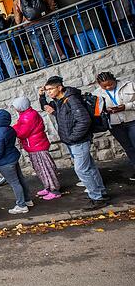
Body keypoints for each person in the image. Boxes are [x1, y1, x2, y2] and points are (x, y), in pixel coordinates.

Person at [41, 76, 109, 210]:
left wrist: (73, 137)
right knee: (89, 167)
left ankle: (97, 198)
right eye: (46, 90)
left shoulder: (71, 100)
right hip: (74, 141)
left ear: (59, 88)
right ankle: (101, 193)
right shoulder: (59, 101)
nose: (48, 92)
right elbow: (46, 107)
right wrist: (42, 96)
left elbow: (84, 121)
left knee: (81, 169)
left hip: (79, 141)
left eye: (50, 89)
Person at [12, 96, 61, 199]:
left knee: (46, 168)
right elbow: (19, 125)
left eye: (16, 106)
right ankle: (48, 187)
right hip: (34, 145)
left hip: (37, 146)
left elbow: (22, 132)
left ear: (21, 107)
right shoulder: (25, 114)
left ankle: (55, 191)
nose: (15, 108)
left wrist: (12, 131)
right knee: (40, 169)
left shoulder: (28, 116)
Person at [0, 108, 32, 214]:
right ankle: (27, 200)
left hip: (5, 162)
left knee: (15, 183)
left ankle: (21, 205)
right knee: (20, 179)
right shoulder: (8, 128)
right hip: (12, 157)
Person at [95, 72, 135, 180]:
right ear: (99, 85)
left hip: (132, 120)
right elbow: (97, 112)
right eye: (104, 86)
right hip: (115, 125)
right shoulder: (97, 94)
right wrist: (105, 111)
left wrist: (125, 107)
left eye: (111, 84)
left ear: (115, 80)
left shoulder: (129, 85)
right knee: (128, 148)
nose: (108, 87)